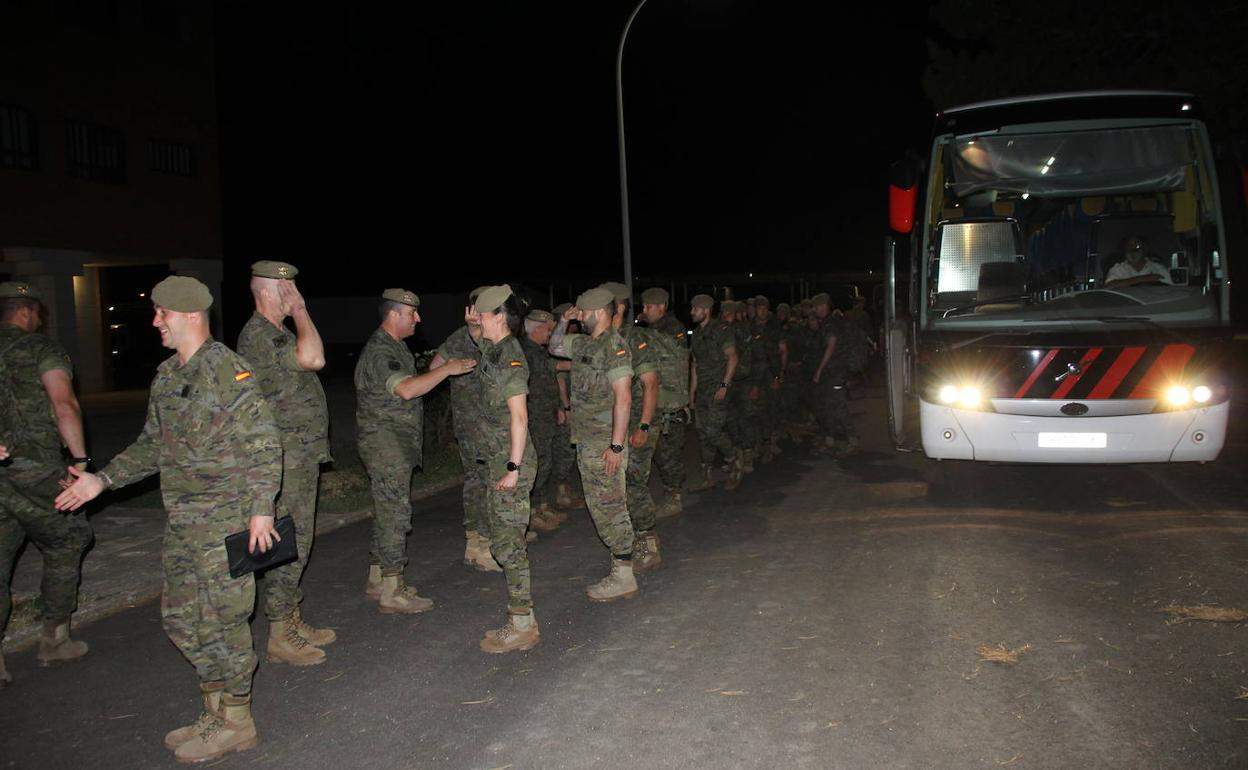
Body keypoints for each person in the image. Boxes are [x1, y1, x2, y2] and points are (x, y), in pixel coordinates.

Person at [55, 276, 282, 763]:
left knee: (226, 621)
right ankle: (214, 707)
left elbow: (264, 443)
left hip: (225, 522)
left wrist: (262, 509)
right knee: (181, 618)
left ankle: (238, 721)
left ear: (189, 315)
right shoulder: (167, 375)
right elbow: (152, 445)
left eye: (162, 313)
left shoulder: (228, 370)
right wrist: (103, 480)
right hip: (184, 522)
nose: (154, 320)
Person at [235, 260, 333, 667]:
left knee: (299, 537)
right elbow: (314, 359)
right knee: (289, 540)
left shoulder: (277, 332)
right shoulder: (259, 334)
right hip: (284, 455)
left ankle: (289, 615)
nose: (294, 296)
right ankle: (279, 631)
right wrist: (302, 311)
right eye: (287, 289)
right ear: (266, 292)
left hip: (300, 454)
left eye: (295, 290)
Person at [354, 289, 475, 613]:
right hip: (386, 445)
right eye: (412, 314)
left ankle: (378, 577)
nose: (418, 319)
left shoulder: (395, 348)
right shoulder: (381, 352)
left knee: (387, 510)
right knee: (395, 514)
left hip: (392, 444)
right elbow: (407, 389)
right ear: (394, 315)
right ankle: (393, 589)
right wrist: (447, 369)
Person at [0, 281, 93, 687]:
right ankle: (54, 637)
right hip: (37, 470)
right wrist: (79, 461)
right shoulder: (42, 350)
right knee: (68, 538)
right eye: (37, 312)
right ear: (26, 312)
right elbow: (64, 404)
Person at [548, 287, 639, 601]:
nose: (581, 317)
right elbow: (555, 345)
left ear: (599, 312)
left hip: (604, 443)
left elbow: (624, 398)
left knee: (610, 507)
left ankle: (624, 573)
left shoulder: (614, 346)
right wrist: (563, 320)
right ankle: (621, 566)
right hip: (586, 441)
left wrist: (616, 446)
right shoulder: (585, 343)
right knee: (599, 506)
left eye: (583, 313)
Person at [472, 285, 540, 652]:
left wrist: (513, 467)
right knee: (504, 539)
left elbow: (519, 415)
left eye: (482, 314)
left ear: (499, 316)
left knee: (508, 543)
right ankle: (521, 617)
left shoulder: (511, 357)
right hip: (500, 458)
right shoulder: (495, 349)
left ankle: (522, 624)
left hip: (511, 461)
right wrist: (475, 326)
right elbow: (482, 349)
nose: (476, 319)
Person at [430, 287, 497, 572]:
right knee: (482, 482)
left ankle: (481, 542)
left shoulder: (457, 337)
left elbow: (434, 367)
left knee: (479, 480)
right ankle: (480, 545)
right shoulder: (476, 337)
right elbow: (436, 369)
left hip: (472, 423)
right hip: (479, 424)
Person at [599, 282, 663, 571]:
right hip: (612, 428)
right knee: (618, 488)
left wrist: (644, 426)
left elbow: (650, 385)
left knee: (635, 483)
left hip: (637, 422)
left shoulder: (634, 338)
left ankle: (648, 543)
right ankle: (628, 541)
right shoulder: (601, 339)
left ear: (619, 308)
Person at [638, 287, 690, 519]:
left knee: (668, 453)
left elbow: (670, 353)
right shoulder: (653, 329)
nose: (644, 311)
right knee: (658, 452)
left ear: (661, 307)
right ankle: (670, 490)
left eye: (648, 307)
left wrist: (637, 334)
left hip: (669, 404)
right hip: (657, 401)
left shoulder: (673, 329)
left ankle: (674, 496)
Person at [687, 294, 742, 491]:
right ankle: (706, 475)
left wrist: (724, 386)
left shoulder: (721, 330)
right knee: (702, 433)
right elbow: (694, 365)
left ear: (706, 310)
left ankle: (735, 459)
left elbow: (733, 358)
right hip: (702, 391)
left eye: (695, 308)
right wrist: (691, 393)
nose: (692, 312)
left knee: (713, 431)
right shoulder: (696, 334)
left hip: (717, 391)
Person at [519, 308, 567, 532]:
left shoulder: (539, 350)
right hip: (534, 417)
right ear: (537, 328)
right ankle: (529, 513)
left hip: (545, 414)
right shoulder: (525, 351)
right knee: (536, 464)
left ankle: (541, 505)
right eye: (548, 330)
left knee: (545, 462)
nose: (550, 335)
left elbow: (549, 382)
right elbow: (552, 368)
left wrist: (558, 406)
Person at [810, 292, 859, 457]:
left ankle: (852, 440)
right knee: (829, 406)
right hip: (832, 372)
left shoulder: (830, 324)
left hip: (835, 371)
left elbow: (831, 345)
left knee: (838, 406)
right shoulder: (829, 322)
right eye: (816, 306)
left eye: (818, 306)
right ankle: (830, 440)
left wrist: (819, 370)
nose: (816, 309)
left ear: (825, 306)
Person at [549, 302, 584, 511]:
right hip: (566, 405)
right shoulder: (558, 347)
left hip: (572, 404)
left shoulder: (568, 343)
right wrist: (566, 406)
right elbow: (560, 380)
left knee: (568, 450)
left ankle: (565, 488)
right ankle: (561, 491)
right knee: (564, 449)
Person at [1104, 235, 1173, 288]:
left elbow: (1169, 290)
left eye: (1137, 246)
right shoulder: (1117, 269)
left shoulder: (1158, 268)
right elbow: (1109, 285)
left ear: (1144, 249)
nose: (1133, 250)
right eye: (1129, 246)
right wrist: (1143, 279)